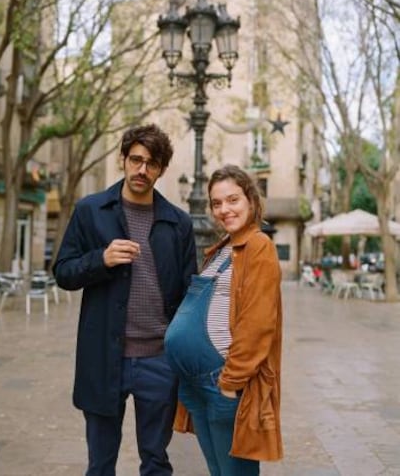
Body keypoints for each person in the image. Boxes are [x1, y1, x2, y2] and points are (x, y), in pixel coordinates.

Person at [53, 124, 197, 476]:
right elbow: (63, 272)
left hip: (159, 362)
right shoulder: (90, 211)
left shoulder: (178, 223)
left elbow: (189, 297)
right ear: (123, 160)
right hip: (104, 358)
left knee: (156, 462)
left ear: (161, 169)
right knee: (100, 464)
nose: (142, 170)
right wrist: (99, 259)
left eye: (151, 163)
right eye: (135, 160)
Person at [165, 164, 283, 476]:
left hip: (223, 382)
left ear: (251, 201)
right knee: (218, 471)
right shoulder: (220, 250)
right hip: (195, 382)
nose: (224, 210)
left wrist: (230, 382)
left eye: (232, 200)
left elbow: (258, 324)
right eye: (217, 203)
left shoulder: (259, 247)